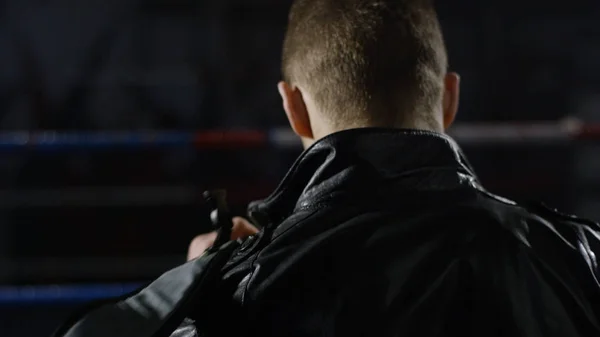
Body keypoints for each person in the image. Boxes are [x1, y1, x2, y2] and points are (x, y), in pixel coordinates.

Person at [187, 0, 600, 336]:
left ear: (293, 108)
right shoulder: (580, 258)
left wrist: (196, 292)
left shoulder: (240, 290)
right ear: (448, 97)